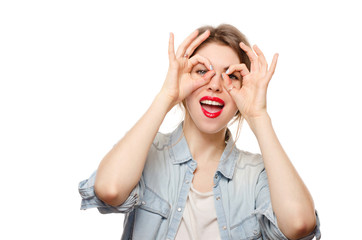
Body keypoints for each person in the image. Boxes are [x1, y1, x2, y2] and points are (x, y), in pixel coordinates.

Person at [78, 24, 321, 240]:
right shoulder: (145, 155)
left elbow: (299, 224)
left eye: (230, 76)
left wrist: (258, 116)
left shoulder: (256, 175)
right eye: (202, 71)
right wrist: (167, 96)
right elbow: (109, 190)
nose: (215, 85)